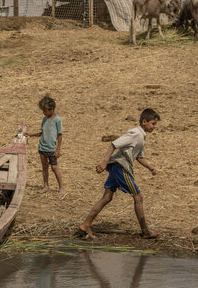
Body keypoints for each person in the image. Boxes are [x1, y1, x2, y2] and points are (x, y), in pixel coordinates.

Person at [80, 108, 162, 240]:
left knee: (107, 197)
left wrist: (150, 167)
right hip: (120, 168)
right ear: (144, 121)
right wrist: (104, 162)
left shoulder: (141, 136)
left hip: (118, 167)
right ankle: (145, 231)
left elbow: (139, 157)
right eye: (153, 123)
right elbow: (114, 144)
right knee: (138, 197)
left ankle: (86, 224)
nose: (154, 127)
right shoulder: (135, 133)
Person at [26, 94, 65, 197]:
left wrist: (58, 150)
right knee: (44, 167)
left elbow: (60, 135)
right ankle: (45, 186)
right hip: (42, 147)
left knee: (54, 167)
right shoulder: (44, 119)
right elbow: (42, 132)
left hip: (51, 148)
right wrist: (31, 134)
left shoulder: (57, 120)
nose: (43, 113)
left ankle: (61, 188)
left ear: (51, 109)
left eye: (45, 111)